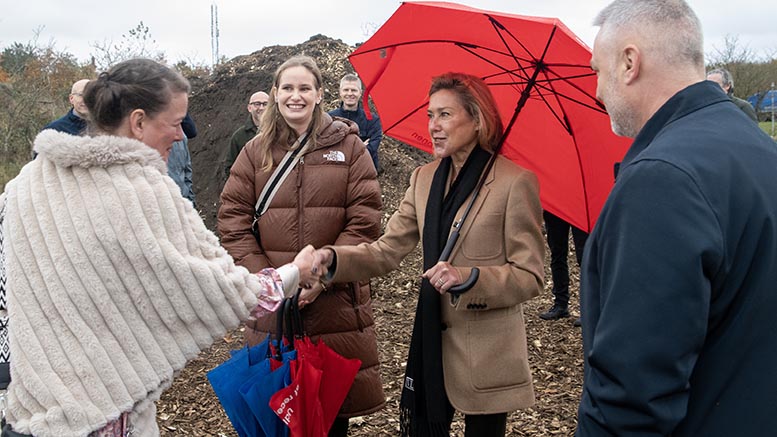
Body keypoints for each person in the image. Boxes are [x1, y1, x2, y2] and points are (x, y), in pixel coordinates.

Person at [0, 58, 322, 437]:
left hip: (28, 409)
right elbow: (222, 290)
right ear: (138, 122)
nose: (182, 136)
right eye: (175, 123)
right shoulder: (141, 192)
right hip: (105, 415)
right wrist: (293, 274)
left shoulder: (25, 185)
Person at [578, 1, 777, 436]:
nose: (596, 91)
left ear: (629, 62)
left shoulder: (662, 180)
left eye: (596, 70)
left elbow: (632, 398)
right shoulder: (757, 148)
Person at [315, 72, 545, 437]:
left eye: (445, 115)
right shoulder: (423, 179)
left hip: (488, 357)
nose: (433, 126)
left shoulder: (514, 182)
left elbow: (530, 275)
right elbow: (387, 251)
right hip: (430, 347)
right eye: (429, 115)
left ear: (477, 120)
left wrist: (468, 278)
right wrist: (334, 260)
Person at [217, 55, 384, 437]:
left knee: (332, 413)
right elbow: (232, 221)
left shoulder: (350, 146)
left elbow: (365, 218)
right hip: (275, 308)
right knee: (279, 414)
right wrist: (273, 280)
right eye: (287, 88)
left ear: (320, 94)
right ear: (275, 95)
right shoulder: (254, 152)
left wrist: (323, 275)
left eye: (304, 88)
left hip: (335, 305)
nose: (296, 96)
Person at [538, 211, 588, 327]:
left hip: (579, 206)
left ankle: (588, 309)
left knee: (585, 258)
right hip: (555, 207)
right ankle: (560, 304)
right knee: (557, 255)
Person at [328, 74, 383, 172]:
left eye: (353, 90)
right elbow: (328, 151)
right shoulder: (329, 119)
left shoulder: (373, 120)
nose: (350, 93)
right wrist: (360, 146)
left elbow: (371, 151)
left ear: (360, 93)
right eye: (346, 90)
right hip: (336, 173)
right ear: (340, 92)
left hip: (364, 173)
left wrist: (341, 149)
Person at [225, 91, 270, 177]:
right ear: (249, 108)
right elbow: (230, 168)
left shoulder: (280, 133)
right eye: (257, 104)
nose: (261, 107)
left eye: (265, 104)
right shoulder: (239, 137)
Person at [167, 113, 198, 206]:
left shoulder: (181, 139)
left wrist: (191, 201)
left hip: (182, 202)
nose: (181, 134)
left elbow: (187, 170)